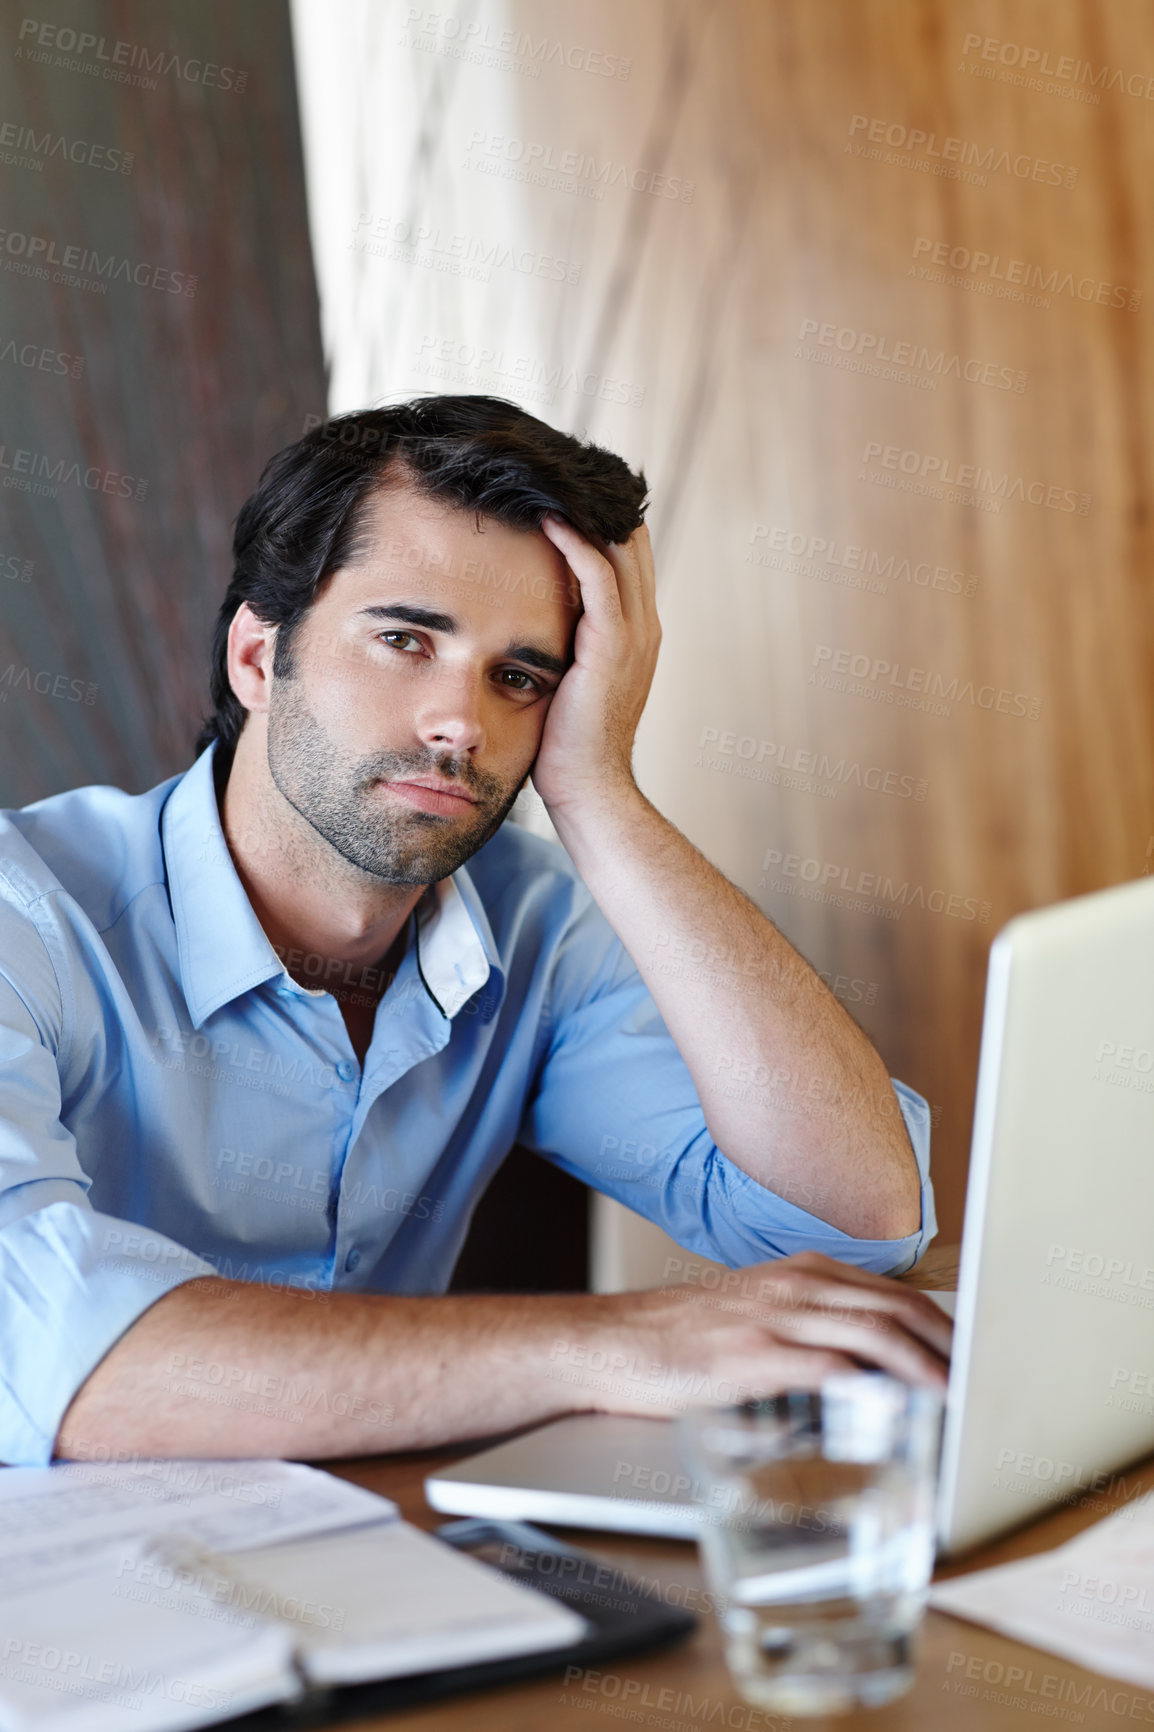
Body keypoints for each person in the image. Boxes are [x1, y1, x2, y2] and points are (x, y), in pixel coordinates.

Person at [0, 396, 950, 1468]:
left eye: (519, 677)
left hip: (383, 1567)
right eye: (405, 639)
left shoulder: (533, 924)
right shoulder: (24, 915)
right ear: (259, 659)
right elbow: (46, 1354)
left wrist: (600, 795)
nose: (461, 724)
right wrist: (611, 1346)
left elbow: (850, 1223)